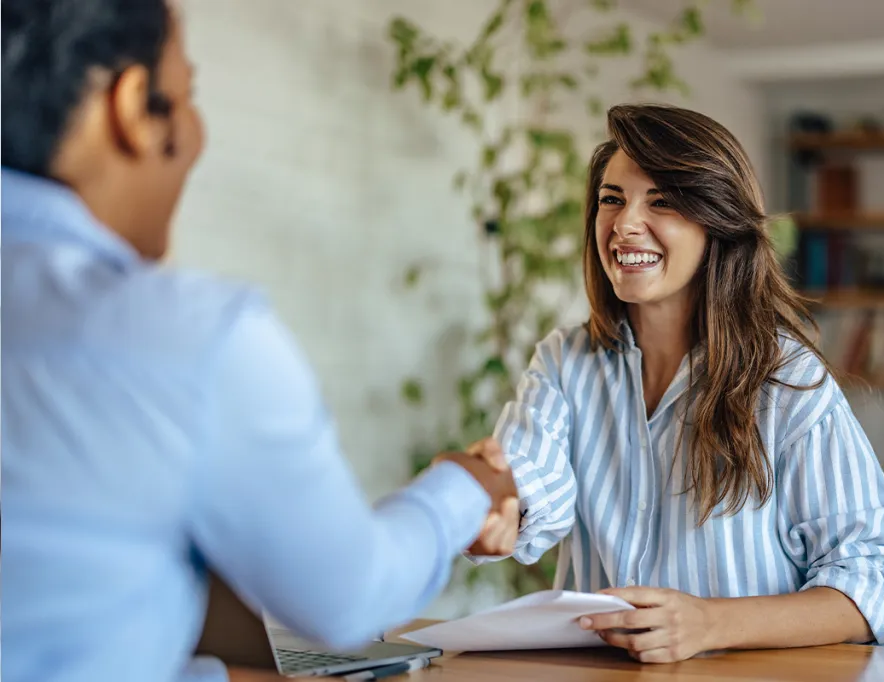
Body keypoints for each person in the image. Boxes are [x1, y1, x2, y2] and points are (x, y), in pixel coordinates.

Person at [0, 3, 518, 682]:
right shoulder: (190, 336)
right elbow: (348, 598)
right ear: (133, 108)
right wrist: (466, 488)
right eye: (187, 94)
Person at [478, 104, 884, 662]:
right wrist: (484, 507)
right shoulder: (565, 361)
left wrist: (709, 623)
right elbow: (525, 475)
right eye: (612, 199)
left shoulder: (786, 379)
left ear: (717, 222)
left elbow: (870, 584)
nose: (625, 224)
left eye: (661, 201)